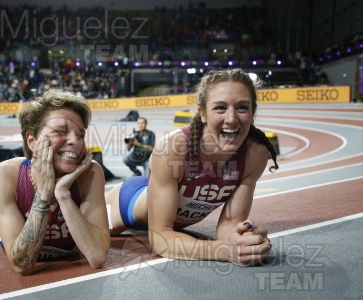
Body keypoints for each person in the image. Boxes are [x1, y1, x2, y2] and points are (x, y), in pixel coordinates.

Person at [106, 68, 278, 266]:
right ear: (202, 112)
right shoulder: (174, 148)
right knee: (71, 236)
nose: (231, 118)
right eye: (220, 108)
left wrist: (242, 240)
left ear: (252, 112)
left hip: (164, 205)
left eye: (242, 108)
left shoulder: (256, 154)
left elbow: (229, 223)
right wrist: (224, 250)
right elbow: (161, 239)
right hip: (126, 204)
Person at [0, 89, 110, 275]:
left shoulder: (91, 173)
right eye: (61, 132)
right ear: (32, 141)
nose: (74, 141)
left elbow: (97, 256)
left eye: (80, 135)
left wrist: (62, 193)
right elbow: (22, 265)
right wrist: (44, 193)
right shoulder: (3, 175)